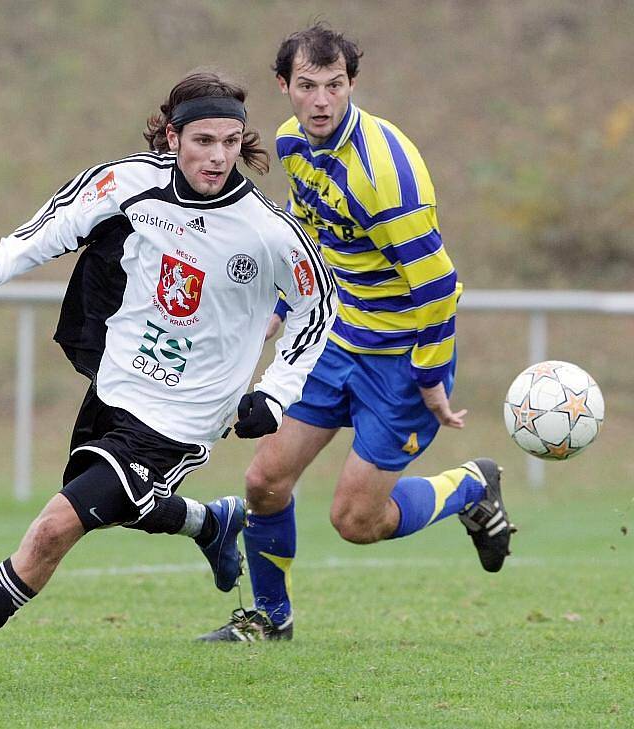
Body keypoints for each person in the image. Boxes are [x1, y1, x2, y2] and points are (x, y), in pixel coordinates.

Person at [0, 71, 336, 694]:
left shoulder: (267, 231)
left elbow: (319, 309)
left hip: (183, 419)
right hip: (116, 386)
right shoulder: (127, 182)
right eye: (203, 141)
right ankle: (212, 523)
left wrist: (274, 393)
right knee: (110, 505)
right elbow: (54, 226)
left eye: (231, 142)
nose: (219, 157)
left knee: (53, 530)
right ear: (173, 138)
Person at [199, 25, 516, 642]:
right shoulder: (293, 145)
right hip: (335, 340)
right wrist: (282, 312)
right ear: (284, 86)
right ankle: (271, 620)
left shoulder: (386, 175)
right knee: (264, 481)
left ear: (352, 84)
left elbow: (438, 286)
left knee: (355, 520)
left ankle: (473, 486)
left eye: (336, 86)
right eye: (308, 86)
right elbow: (310, 239)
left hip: (402, 360)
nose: (322, 101)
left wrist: (429, 378)